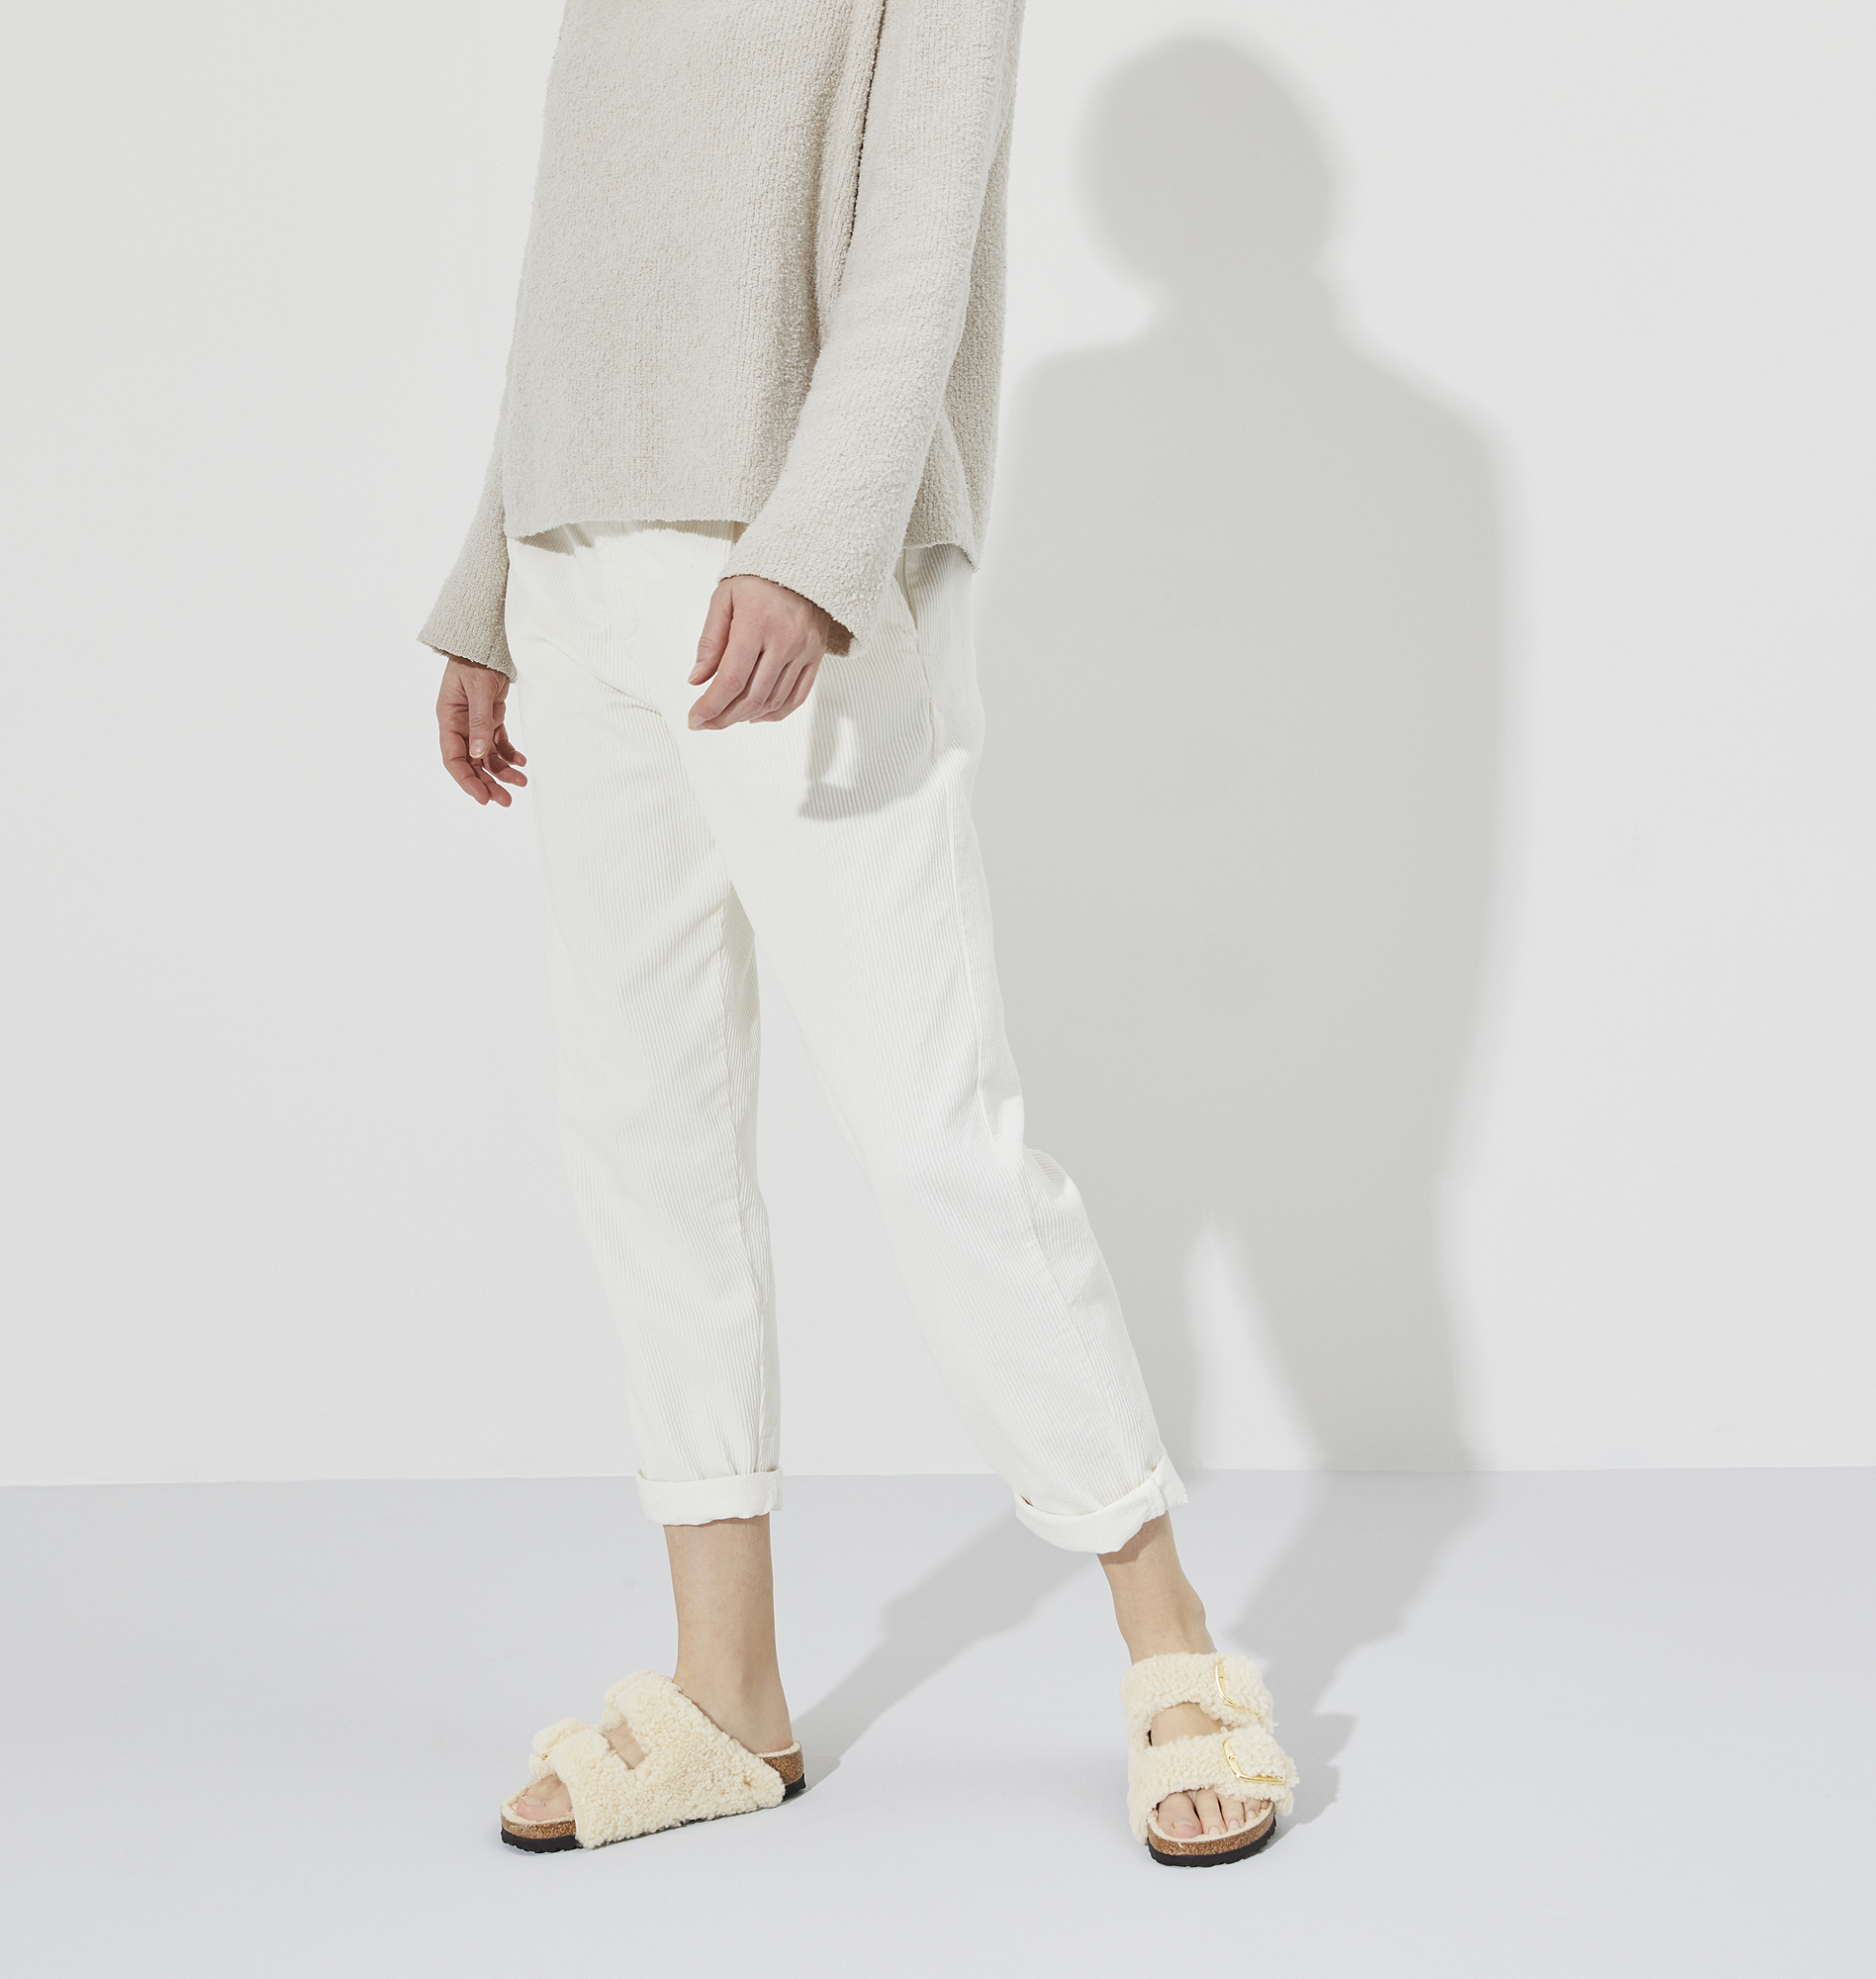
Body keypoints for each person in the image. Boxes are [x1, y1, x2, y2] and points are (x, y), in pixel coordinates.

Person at [421, 0, 1295, 1865]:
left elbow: (916, 251)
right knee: (643, 1129)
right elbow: (572, 263)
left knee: (933, 1132)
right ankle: (724, 1692)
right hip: (579, 579)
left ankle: (1173, 1644)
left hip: (785, 576)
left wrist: (813, 549)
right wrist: (490, 580)